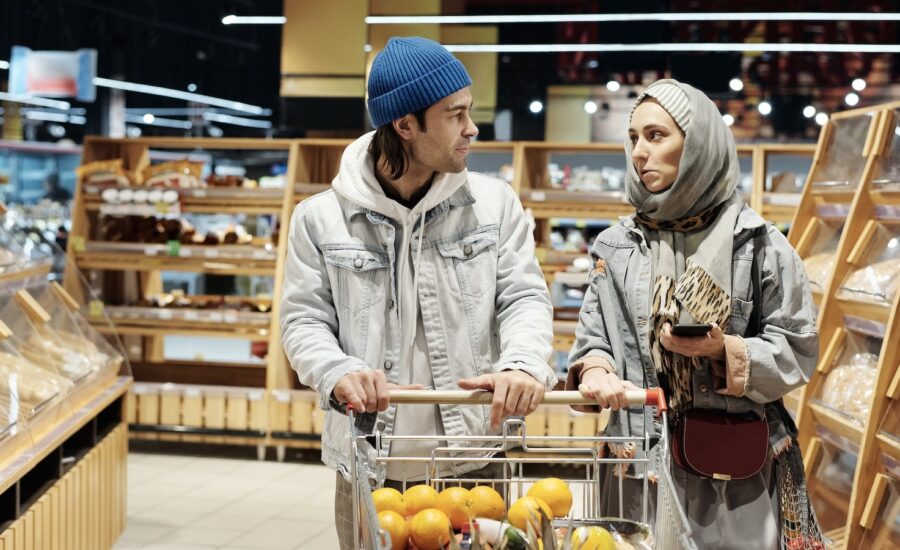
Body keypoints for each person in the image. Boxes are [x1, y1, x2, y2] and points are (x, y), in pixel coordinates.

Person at [279, 36, 555, 549]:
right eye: (455, 114)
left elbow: (524, 298)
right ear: (405, 125)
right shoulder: (320, 219)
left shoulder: (494, 206)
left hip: (472, 456)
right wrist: (336, 369)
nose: (472, 128)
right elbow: (303, 319)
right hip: (369, 457)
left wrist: (522, 363)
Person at [567, 79, 823, 549]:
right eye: (633, 139)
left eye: (656, 136)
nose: (639, 152)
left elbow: (798, 348)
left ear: (699, 142)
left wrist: (723, 350)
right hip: (636, 466)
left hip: (734, 474)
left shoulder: (760, 244)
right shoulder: (615, 246)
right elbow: (594, 338)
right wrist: (597, 370)